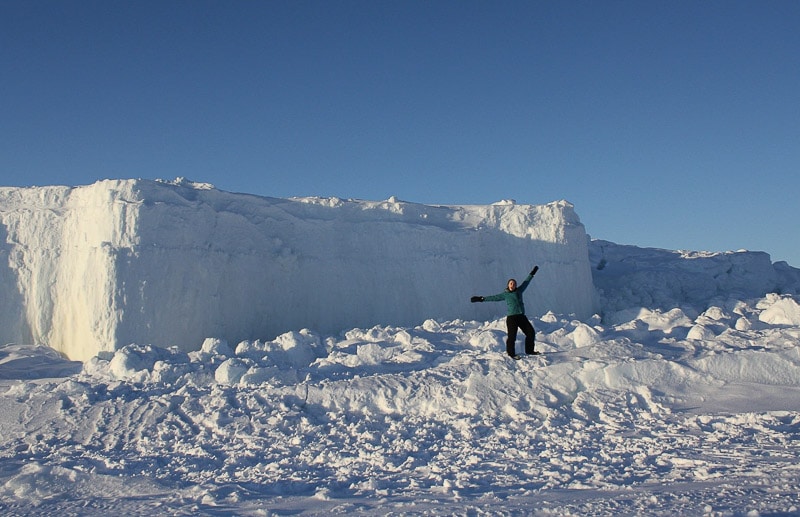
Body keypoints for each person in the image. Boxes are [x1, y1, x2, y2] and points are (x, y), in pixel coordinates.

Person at [471, 265, 540, 359]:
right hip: (512, 318)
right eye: (511, 283)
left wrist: (532, 273)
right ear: (508, 285)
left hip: (521, 317)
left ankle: (529, 351)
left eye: (514, 284)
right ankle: (511, 354)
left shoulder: (519, 291)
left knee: (531, 332)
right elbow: (494, 298)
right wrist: (481, 299)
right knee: (512, 337)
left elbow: (526, 282)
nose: (513, 285)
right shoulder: (505, 295)